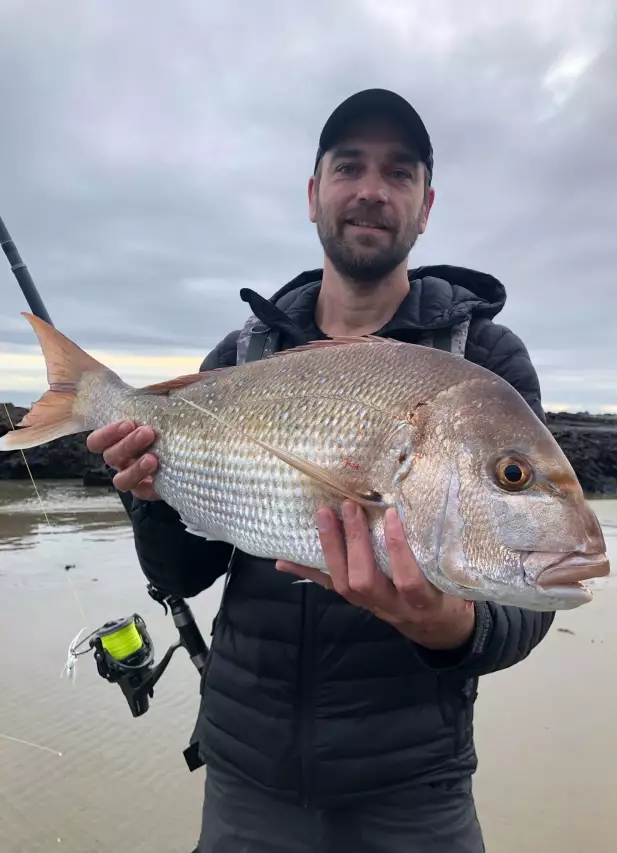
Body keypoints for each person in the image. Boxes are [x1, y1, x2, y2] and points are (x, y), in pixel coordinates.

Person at [87, 89, 554, 852]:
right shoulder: (240, 359)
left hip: (416, 790)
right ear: (313, 193)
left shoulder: (484, 364)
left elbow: (529, 596)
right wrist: (149, 493)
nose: (373, 189)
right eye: (349, 167)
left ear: (426, 205)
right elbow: (185, 571)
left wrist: (448, 625)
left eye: (399, 172)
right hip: (246, 775)